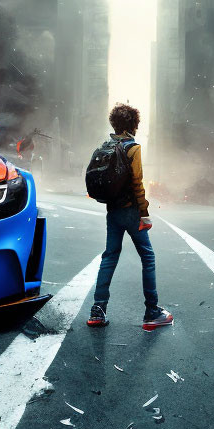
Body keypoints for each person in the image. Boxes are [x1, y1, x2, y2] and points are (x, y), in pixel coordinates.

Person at [87, 103, 173, 331]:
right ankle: (152, 312)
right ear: (134, 124)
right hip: (132, 212)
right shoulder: (132, 148)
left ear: (114, 123)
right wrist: (144, 214)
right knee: (148, 257)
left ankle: (98, 309)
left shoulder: (106, 146)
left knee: (109, 257)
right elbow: (137, 183)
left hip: (113, 212)